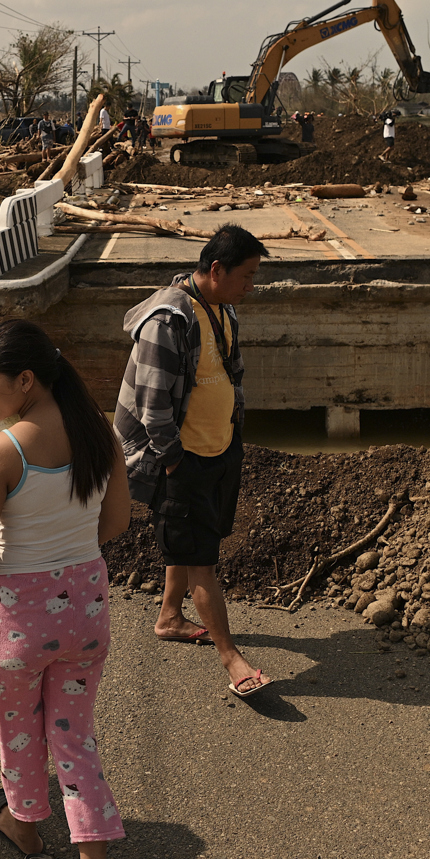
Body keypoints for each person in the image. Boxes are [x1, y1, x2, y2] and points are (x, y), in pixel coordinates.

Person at [0, 319, 129, 859]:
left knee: (20, 736)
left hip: (16, 624)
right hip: (87, 607)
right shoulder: (102, 435)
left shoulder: (1, 451)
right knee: (74, 738)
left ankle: (26, 831)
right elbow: (117, 522)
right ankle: (92, 858)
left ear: (26, 380)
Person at [113, 224, 272, 698]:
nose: (251, 286)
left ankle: (168, 617)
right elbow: (152, 403)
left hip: (217, 447)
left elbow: (230, 374)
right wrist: (173, 462)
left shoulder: (222, 310)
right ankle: (233, 658)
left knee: (190, 543)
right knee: (201, 560)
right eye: (246, 276)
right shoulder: (169, 320)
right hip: (180, 458)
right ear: (216, 269)